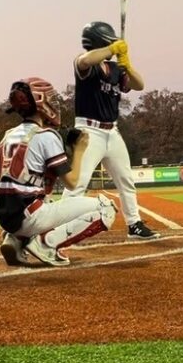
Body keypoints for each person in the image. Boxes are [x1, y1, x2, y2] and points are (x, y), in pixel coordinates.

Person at [0, 77, 117, 266]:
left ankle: (16, 239)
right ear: (41, 103)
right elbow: (72, 182)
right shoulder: (46, 135)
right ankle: (45, 244)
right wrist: (79, 149)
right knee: (106, 208)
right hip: (30, 214)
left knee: (45, 199)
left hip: (6, 213)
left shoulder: (7, 135)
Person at [63, 21, 160, 240]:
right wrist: (112, 50)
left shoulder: (115, 69)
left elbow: (139, 85)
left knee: (126, 180)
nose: (114, 42)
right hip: (88, 131)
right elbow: (86, 60)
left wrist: (126, 63)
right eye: (111, 40)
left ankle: (134, 224)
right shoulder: (86, 64)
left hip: (112, 132)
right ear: (101, 41)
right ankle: (60, 225)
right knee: (78, 183)